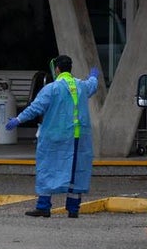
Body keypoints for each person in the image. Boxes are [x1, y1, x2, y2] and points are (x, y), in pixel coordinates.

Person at [6, 54, 100, 218]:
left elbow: (35, 108)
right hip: (80, 137)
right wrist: (93, 76)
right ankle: (73, 209)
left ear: (57, 69)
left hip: (55, 136)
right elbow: (92, 85)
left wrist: (17, 119)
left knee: (48, 168)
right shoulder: (81, 86)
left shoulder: (52, 88)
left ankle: (43, 206)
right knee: (76, 171)